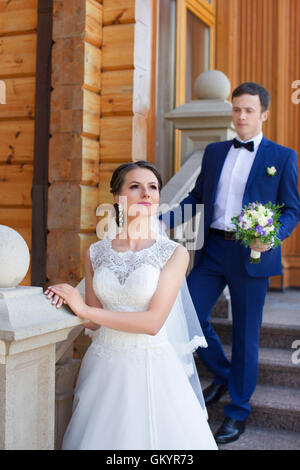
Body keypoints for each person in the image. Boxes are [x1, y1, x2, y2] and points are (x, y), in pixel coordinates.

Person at [160, 82, 300, 444]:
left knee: (246, 336)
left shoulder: (283, 157)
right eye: (237, 109)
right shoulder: (215, 151)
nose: (241, 116)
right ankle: (223, 374)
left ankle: (238, 411)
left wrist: (271, 235)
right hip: (213, 252)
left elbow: (291, 210)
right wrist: (165, 220)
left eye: (249, 110)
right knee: (187, 314)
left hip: (252, 255)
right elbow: (196, 197)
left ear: (264, 114)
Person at [44, 160, 218, 450]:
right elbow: (94, 322)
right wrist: (67, 300)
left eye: (152, 187)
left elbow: (152, 324)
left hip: (150, 366)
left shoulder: (173, 254)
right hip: (103, 366)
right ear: (117, 197)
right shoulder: (96, 252)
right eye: (135, 186)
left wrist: (85, 309)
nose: (146, 194)